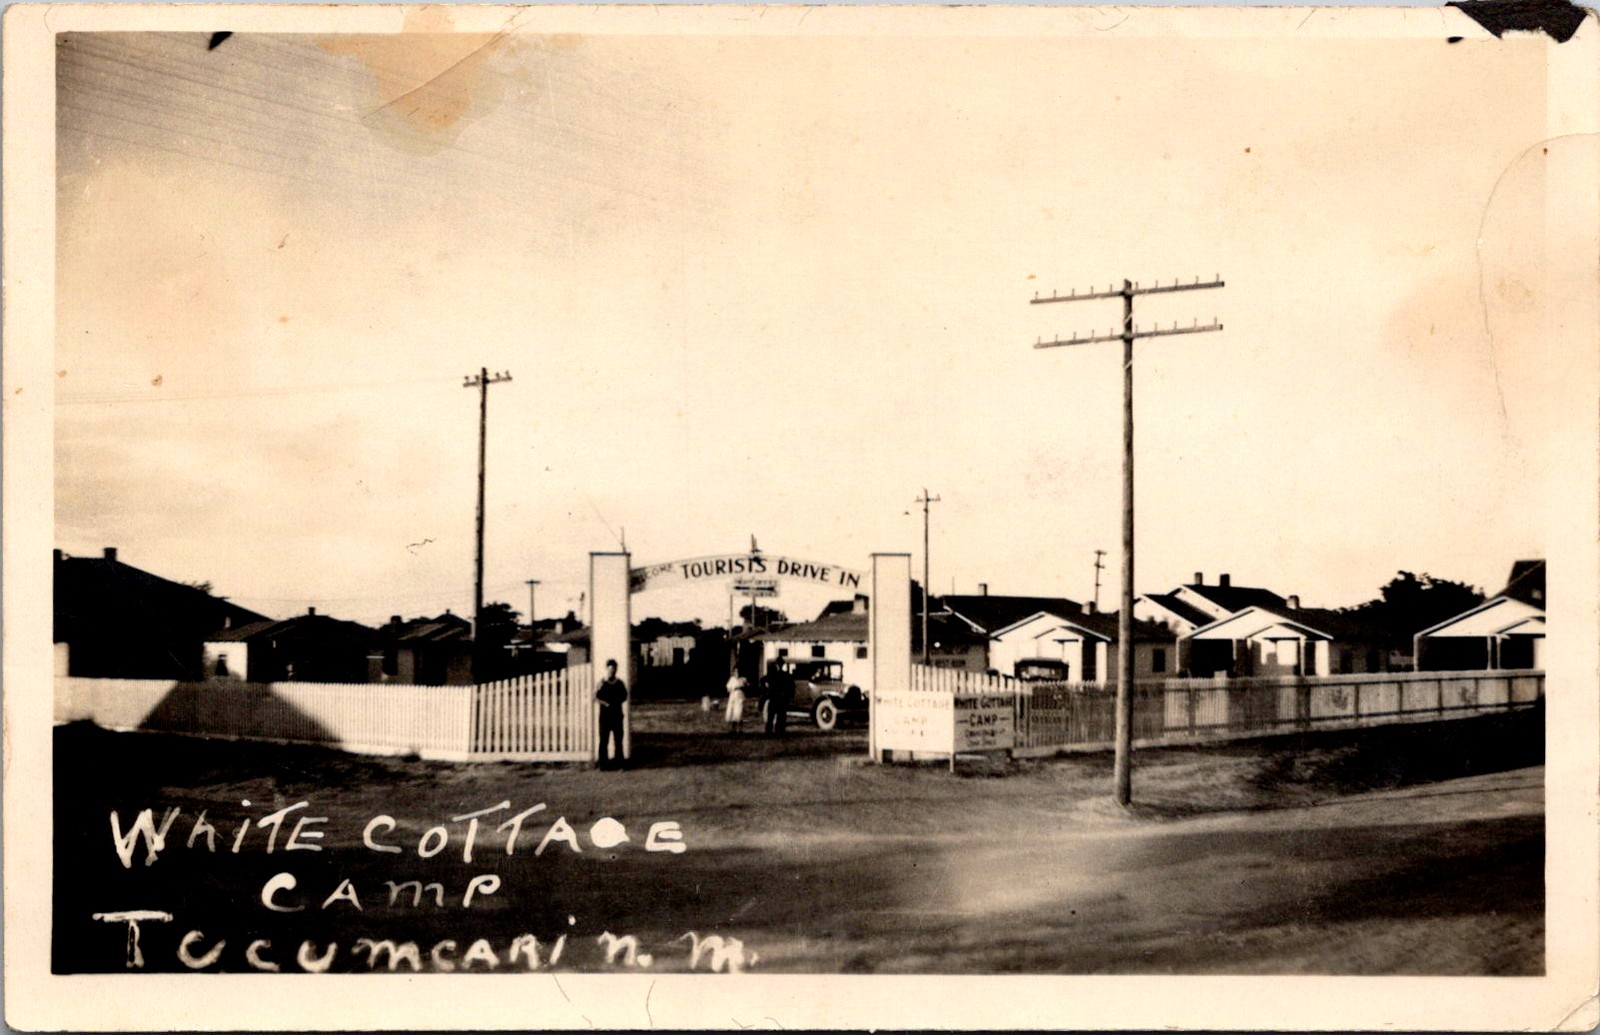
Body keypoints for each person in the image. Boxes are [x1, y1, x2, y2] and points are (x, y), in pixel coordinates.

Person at [594, 659, 629, 768]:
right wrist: (604, 703)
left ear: (616, 670)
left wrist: (615, 702)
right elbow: (595, 697)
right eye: (609, 668)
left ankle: (619, 763)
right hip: (605, 717)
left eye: (613, 669)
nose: (611, 671)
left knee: (618, 740)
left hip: (617, 716)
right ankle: (603, 764)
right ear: (606, 669)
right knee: (604, 740)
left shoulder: (620, 683)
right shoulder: (601, 683)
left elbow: (624, 696)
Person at [763, 663, 794, 736]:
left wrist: (767, 688)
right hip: (780, 698)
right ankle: (779, 730)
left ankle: (770, 730)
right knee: (780, 715)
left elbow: (763, 680)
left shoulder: (772, 675)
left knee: (772, 715)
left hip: (774, 697)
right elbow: (790, 686)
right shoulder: (785, 675)